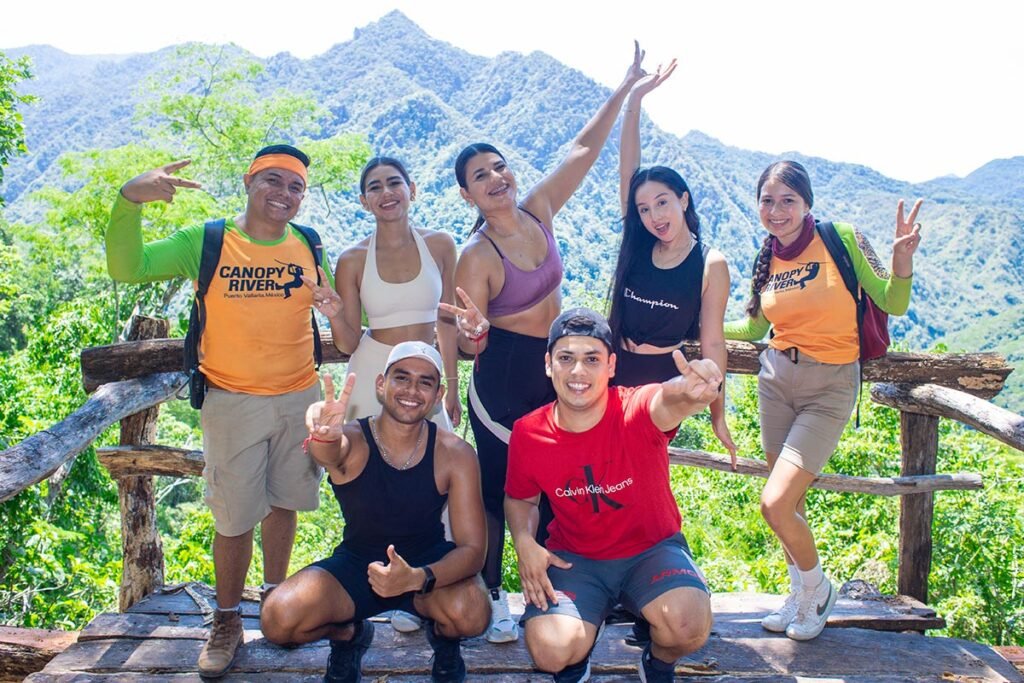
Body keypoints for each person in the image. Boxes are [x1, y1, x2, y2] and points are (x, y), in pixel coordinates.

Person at [105, 145, 334, 677]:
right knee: (233, 516)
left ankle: (276, 603)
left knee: (285, 504)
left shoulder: (308, 245)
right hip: (232, 401)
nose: (284, 194)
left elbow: (341, 310)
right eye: (272, 180)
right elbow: (127, 266)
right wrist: (128, 201)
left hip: (299, 398)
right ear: (249, 181)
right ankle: (227, 620)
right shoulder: (207, 241)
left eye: (295, 186)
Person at [449, 42, 649, 644]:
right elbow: (465, 340)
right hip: (504, 376)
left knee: (568, 478)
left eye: (498, 167)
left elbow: (582, 150)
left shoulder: (538, 210)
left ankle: (568, 591)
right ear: (467, 195)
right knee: (497, 487)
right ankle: (491, 596)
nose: (494, 178)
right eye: (479, 176)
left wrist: (624, 87)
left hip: (553, 369)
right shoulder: (476, 255)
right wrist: (470, 334)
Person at [724, 160, 923, 641]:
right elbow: (753, 329)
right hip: (775, 381)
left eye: (787, 200)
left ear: (806, 202)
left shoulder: (843, 239)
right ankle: (800, 595)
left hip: (830, 385)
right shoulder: (765, 257)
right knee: (791, 502)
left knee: (773, 503)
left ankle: (818, 588)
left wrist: (901, 260)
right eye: (767, 201)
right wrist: (698, 328)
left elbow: (893, 303)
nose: (776, 211)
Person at [504, 308, 719, 683]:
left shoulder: (634, 409)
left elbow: (667, 401)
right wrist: (523, 540)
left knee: (688, 625)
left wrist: (691, 395)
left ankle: (657, 662)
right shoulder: (529, 433)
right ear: (548, 365)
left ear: (611, 365)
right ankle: (579, 652)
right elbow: (520, 498)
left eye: (592, 359)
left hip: (651, 550)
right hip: (576, 559)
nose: (578, 372)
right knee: (550, 652)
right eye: (566, 358)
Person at [260, 342, 489, 683]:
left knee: (472, 614)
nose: (412, 390)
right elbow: (331, 453)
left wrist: (418, 577)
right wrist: (323, 436)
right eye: (402, 378)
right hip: (358, 565)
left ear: (438, 393)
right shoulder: (352, 439)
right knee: (278, 620)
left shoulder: (455, 454)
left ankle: (444, 641)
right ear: (381, 384)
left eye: (425, 382)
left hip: (425, 566)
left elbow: (473, 551)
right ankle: (348, 636)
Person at [611, 57, 735, 453]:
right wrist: (635, 98)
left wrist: (718, 414)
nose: (653, 216)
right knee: (600, 468)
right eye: (644, 208)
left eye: (662, 202)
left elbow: (714, 343)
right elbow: (628, 169)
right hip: (612, 370)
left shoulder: (709, 264)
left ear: (683, 200)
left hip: (663, 383)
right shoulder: (639, 243)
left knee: (638, 468)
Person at [304, 157, 460, 432]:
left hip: (424, 371)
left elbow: (447, 323)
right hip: (371, 372)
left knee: (434, 463)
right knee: (363, 461)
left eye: (394, 183)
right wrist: (336, 316)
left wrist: (452, 385)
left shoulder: (441, 245)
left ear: (412, 189)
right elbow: (348, 343)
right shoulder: (352, 259)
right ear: (365, 201)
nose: (386, 192)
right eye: (375, 187)